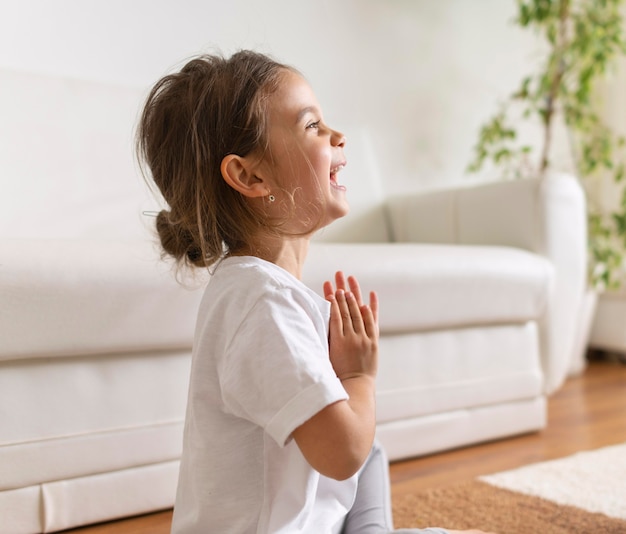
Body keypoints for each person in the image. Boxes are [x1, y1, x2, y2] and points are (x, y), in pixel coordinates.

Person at [136, 50, 495, 534]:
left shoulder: (253, 292)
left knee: (375, 451)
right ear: (250, 176)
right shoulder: (262, 303)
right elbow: (343, 452)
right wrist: (358, 375)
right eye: (312, 126)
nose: (337, 135)